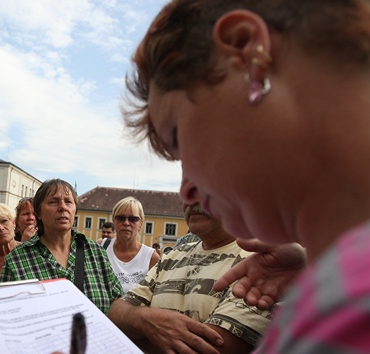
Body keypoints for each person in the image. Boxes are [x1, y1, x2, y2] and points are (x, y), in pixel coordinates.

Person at [124, 1, 370, 352]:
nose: (187, 191)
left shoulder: (350, 307)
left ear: (246, 49)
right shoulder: (340, 283)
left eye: (178, 136)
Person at [108, 200, 274, 354]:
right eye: (186, 188)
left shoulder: (263, 262)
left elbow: (214, 346)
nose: (192, 199)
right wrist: (147, 320)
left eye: (204, 186)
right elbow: (115, 314)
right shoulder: (172, 256)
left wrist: (136, 328)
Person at [0, 179, 123, 314]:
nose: (63, 207)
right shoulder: (16, 260)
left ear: (75, 210)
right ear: (38, 213)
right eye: (53, 202)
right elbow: (6, 315)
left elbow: (117, 302)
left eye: (68, 202)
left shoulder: (96, 253)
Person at [104, 197, 160, 292]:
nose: (126, 223)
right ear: (114, 221)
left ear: (141, 224)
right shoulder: (102, 247)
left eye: (133, 219)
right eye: (120, 218)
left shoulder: (151, 258)